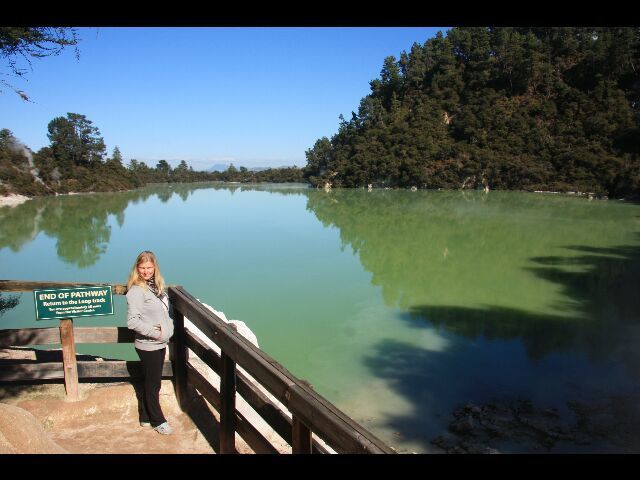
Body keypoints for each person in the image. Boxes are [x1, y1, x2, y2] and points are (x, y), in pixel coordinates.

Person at [126, 250, 175, 435]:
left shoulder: (155, 286)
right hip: (148, 345)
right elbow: (132, 322)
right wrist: (157, 333)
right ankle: (158, 420)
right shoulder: (137, 291)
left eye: (149, 267)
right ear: (137, 269)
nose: (146, 271)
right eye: (142, 268)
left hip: (158, 343)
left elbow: (164, 312)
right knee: (154, 384)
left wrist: (168, 328)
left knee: (150, 381)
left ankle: (145, 417)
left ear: (155, 268)